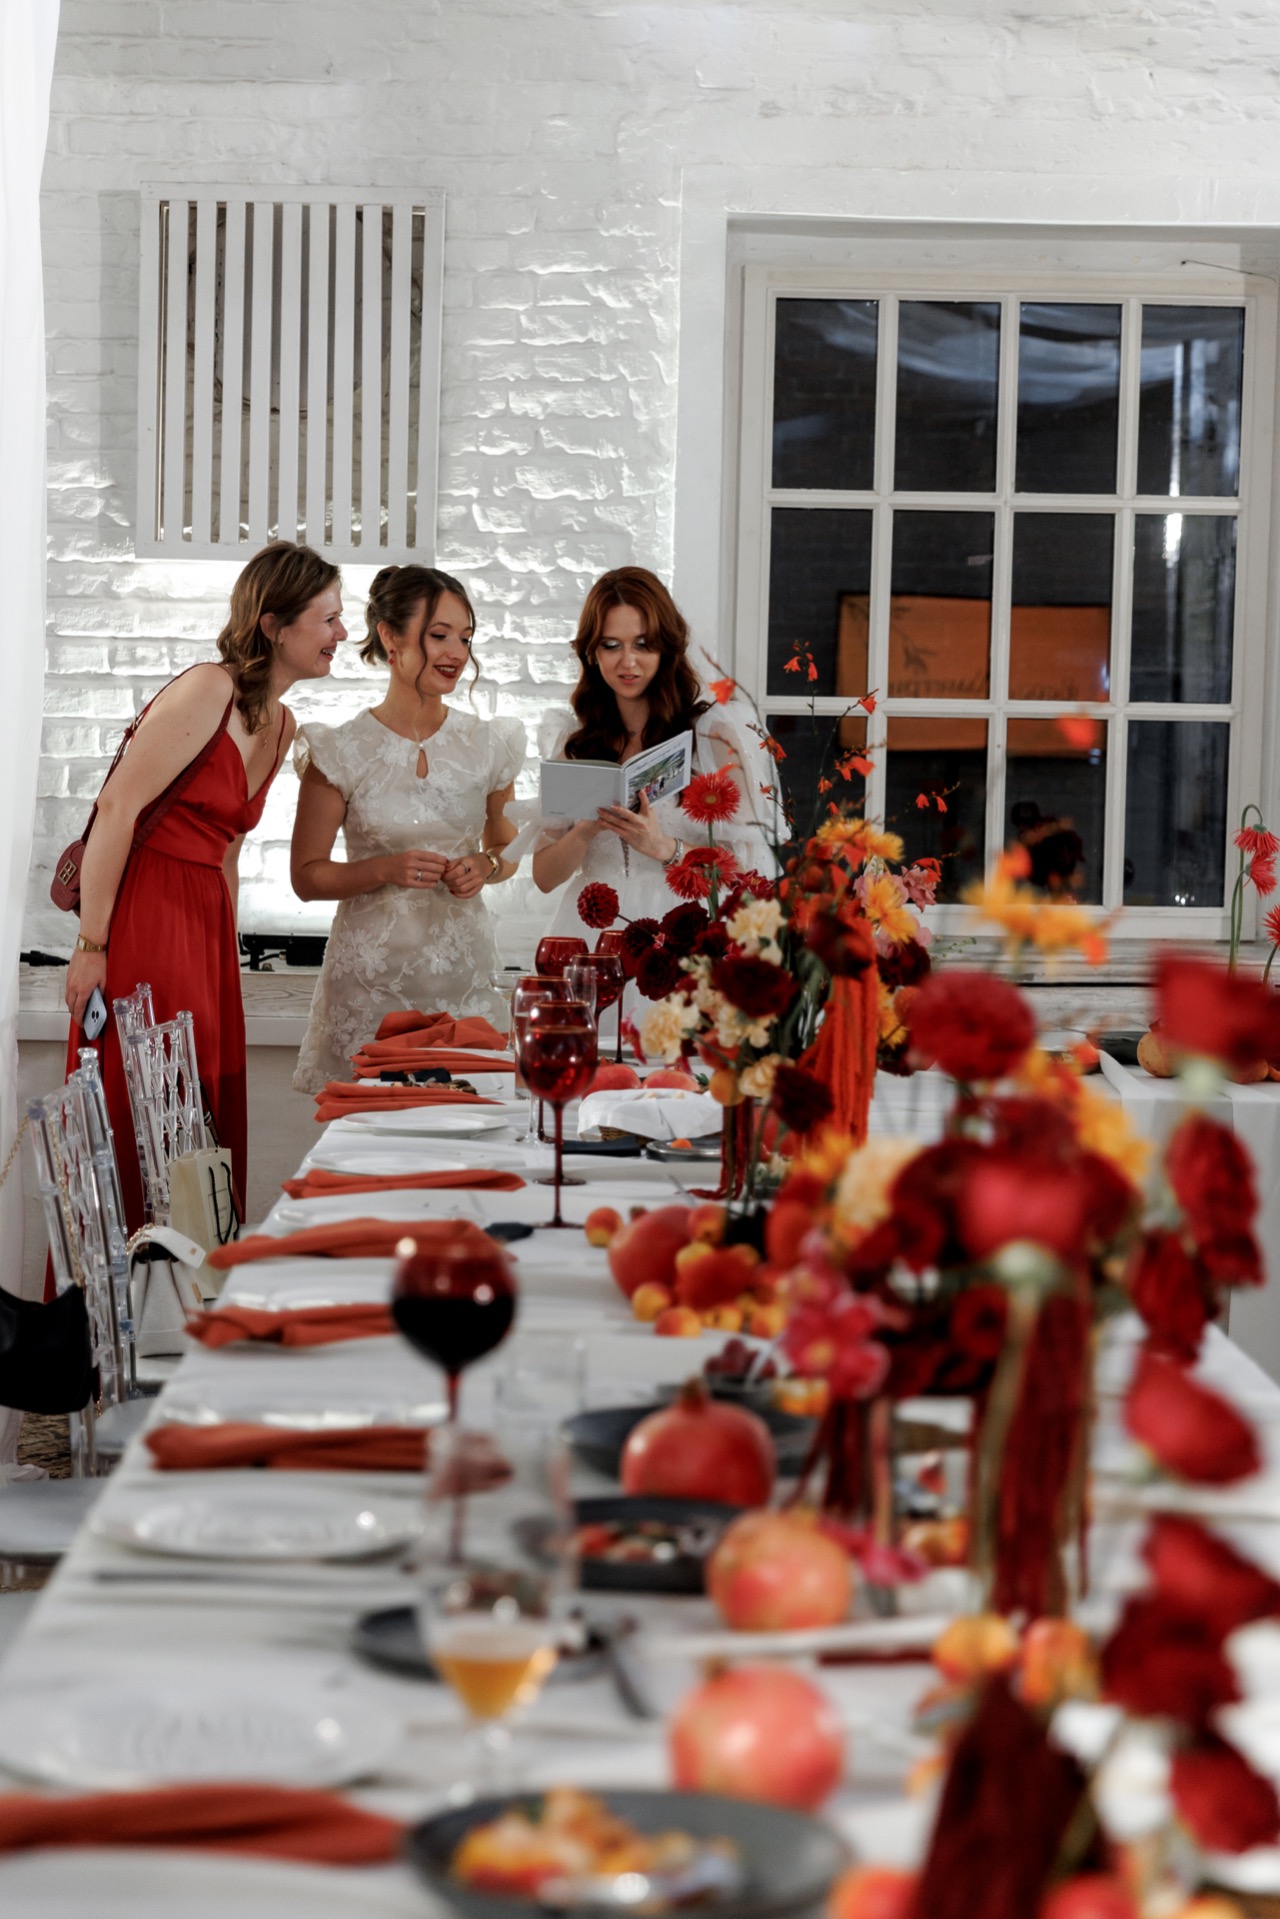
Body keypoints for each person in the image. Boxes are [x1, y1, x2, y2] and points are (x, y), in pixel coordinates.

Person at [63, 541, 345, 1232]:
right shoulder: (207, 689)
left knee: (197, 1104)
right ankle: (125, 1281)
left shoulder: (284, 725)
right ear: (275, 625)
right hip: (147, 914)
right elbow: (117, 809)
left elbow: (229, 851)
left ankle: (191, 1283)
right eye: (329, 618)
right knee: (142, 1095)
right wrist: (92, 945)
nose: (342, 633)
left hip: (206, 926)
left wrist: (226, 961)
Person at [290, 564, 525, 1092]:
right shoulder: (339, 750)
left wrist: (485, 864)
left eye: (465, 638)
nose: (456, 653)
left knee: (472, 1134)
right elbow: (306, 876)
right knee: (365, 1139)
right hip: (366, 991)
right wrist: (383, 869)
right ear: (390, 637)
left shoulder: (491, 745)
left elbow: (507, 848)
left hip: (465, 985)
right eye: (440, 635)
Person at [532, 566, 779, 940]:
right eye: (611, 645)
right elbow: (544, 877)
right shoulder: (575, 743)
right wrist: (584, 831)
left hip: (684, 929)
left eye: (643, 644)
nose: (627, 661)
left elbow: (748, 872)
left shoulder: (712, 734)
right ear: (591, 652)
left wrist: (662, 846)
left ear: (666, 647)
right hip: (593, 929)